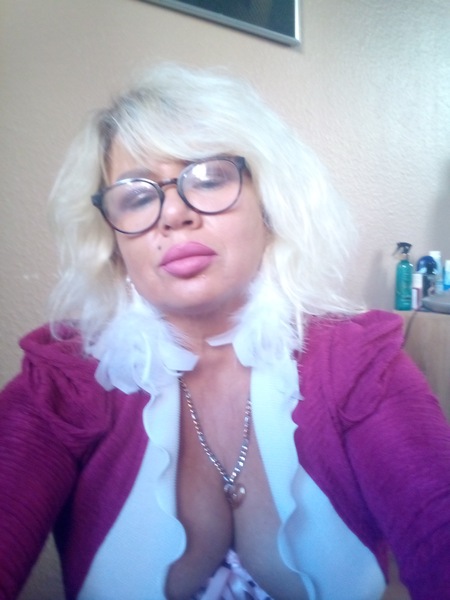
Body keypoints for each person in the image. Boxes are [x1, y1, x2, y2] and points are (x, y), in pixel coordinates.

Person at [0, 63, 449, 600]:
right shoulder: (61, 383)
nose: (173, 213)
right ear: (114, 242)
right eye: (138, 197)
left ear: (270, 204)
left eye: (209, 178)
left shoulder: (358, 361)